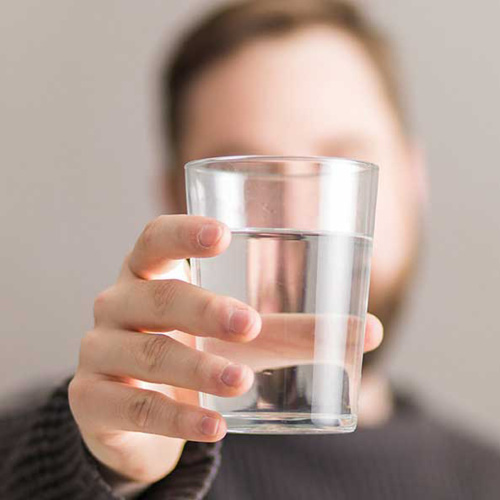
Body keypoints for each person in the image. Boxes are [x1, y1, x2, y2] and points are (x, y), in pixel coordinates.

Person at [1, 1, 499, 499]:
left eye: (343, 161)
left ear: (414, 179)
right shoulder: (41, 451)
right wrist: (101, 463)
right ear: (179, 204)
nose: (298, 212)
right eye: (248, 181)